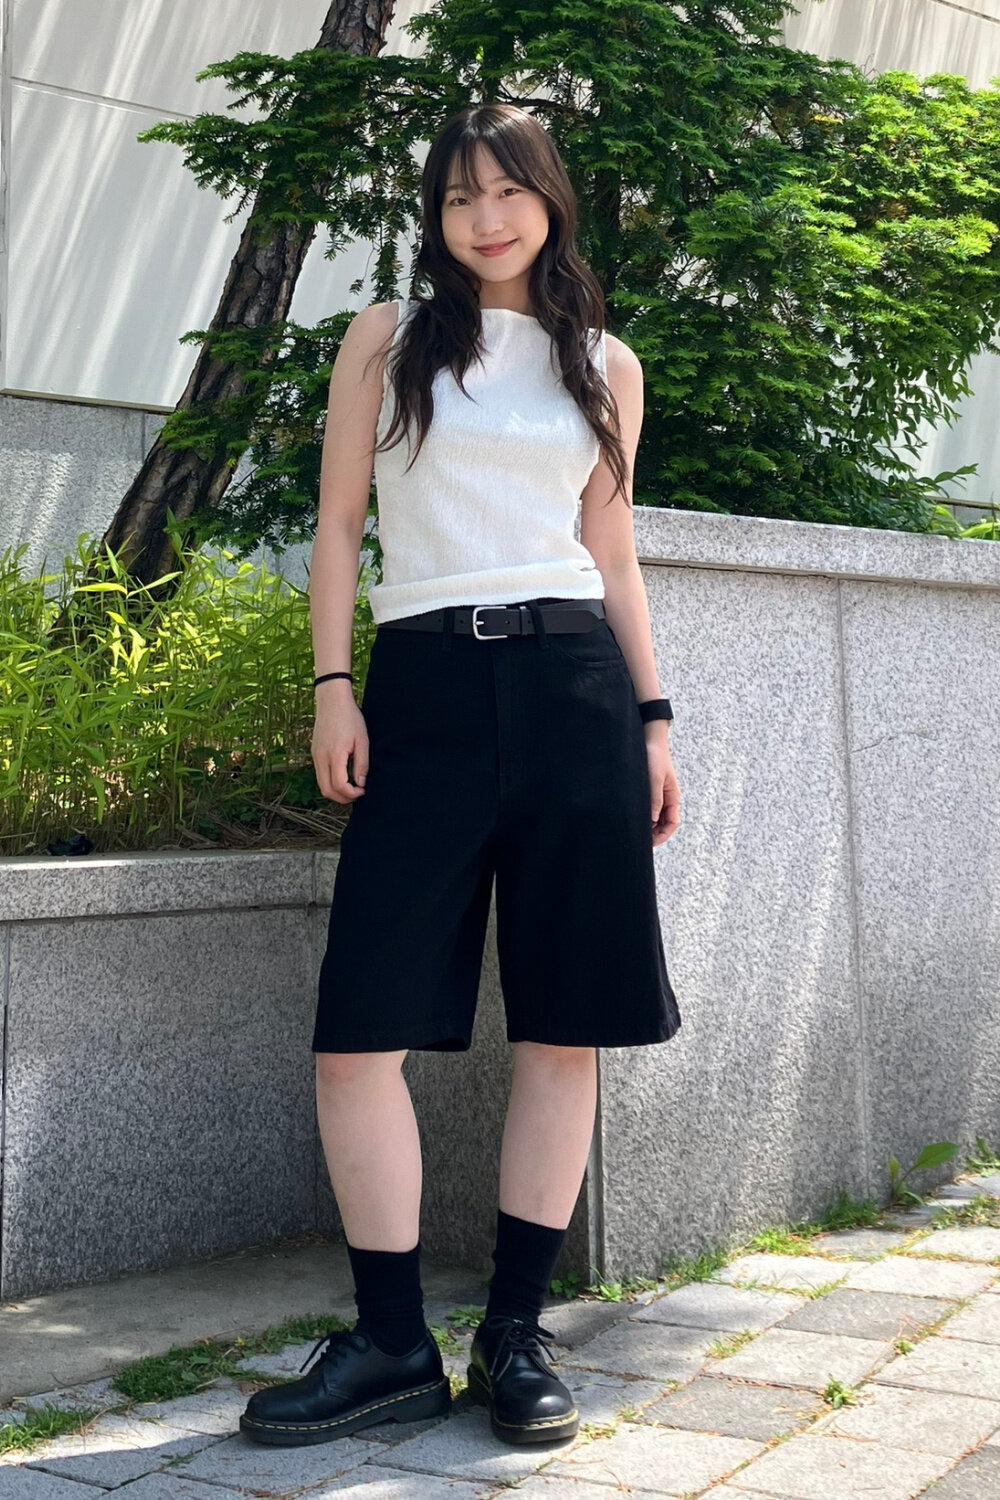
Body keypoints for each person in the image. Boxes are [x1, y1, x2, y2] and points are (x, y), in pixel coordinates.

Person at [240, 101, 682, 1452]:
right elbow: (337, 524)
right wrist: (333, 685)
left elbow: (611, 554)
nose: (486, 219)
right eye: (457, 198)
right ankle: (390, 1343)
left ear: (551, 200)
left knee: (564, 1026)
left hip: (573, 690)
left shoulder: (605, 363)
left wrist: (654, 721)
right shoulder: (387, 339)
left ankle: (515, 1334)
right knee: (357, 1031)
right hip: (424, 688)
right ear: (433, 216)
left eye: (509, 191)